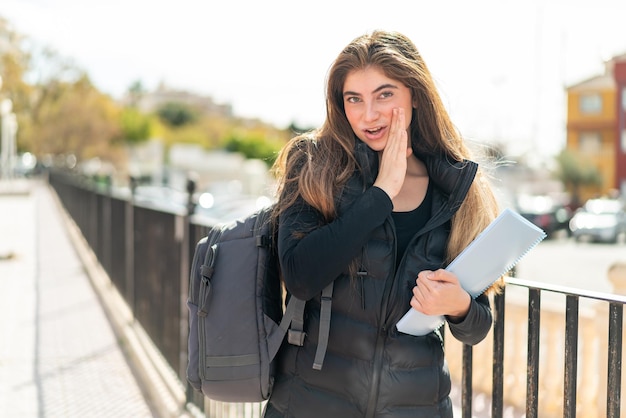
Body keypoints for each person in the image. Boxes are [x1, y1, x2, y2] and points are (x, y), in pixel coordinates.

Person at [266, 30, 501, 418]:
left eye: (384, 95)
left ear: (414, 93)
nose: (368, 114)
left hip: (418, 406)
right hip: (311, 402)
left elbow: (477, 327)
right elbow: (300, 276)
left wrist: (458, 306)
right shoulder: (314, 165)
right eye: (353, 99)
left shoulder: (454, 184)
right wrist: (381, 193)